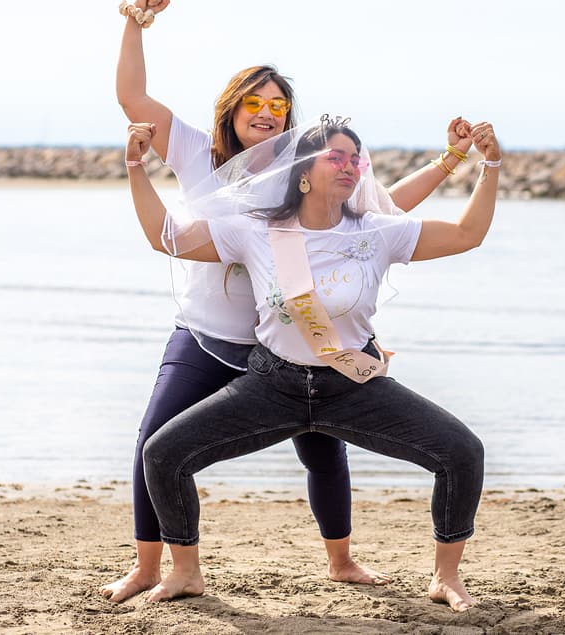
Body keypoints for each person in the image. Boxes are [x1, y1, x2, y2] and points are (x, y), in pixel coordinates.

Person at [101, 0, 478, 603]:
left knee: (323, 450)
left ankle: (341, 561)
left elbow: (378, 213)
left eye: (279, 104)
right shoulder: (197, 152)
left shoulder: (302, 160)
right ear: (232, 108)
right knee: (155, 442)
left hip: (288, 344)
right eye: (254, 102)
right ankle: (149, 566)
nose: (268, 112)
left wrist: (450, 159)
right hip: (207, 334)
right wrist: (135, 23)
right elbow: (132, 99)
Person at [123, 115, 501, 611]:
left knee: (462, 452)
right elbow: (165, 236)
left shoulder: (378, 232)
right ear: (303, 172)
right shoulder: (256, 231)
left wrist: (490, 164)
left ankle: (445, 577)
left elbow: (466, 234)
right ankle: (186, 571)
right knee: (162, 453)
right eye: (336, 157)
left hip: (352, 386)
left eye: (355, 159)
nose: (349, 167)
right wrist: (136, 164)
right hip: (271, 387)